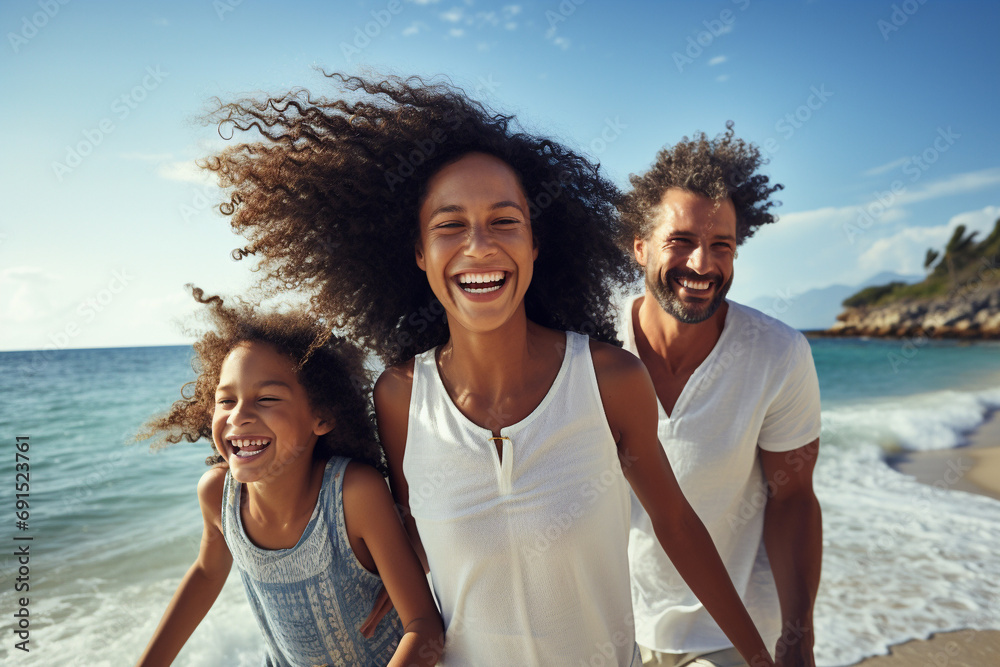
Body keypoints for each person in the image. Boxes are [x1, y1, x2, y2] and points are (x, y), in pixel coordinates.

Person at [201, 73, 775, 667]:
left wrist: (762, 656)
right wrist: (399, 602)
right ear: (420, 254)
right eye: (450, 225)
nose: (478, 245)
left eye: (504, 221)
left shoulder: (610, 380)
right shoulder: (399, 397)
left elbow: (676, 524)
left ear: (533, 244)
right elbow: (407, 527)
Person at [134, 287, 443, 667]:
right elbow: (206, 572)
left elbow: (425, 627)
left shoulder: (354, 495)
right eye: (226, 400)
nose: (239, 416)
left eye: (267, 399)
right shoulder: (219, 494)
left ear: (322, 417)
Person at [617, 124, 823, 667]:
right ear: (639, 247)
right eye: (680, 242)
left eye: (721, 246)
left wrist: (798, 638)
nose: (703, 265)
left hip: (728, 633)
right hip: (604, 624)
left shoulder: (778, 354)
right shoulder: (587, 345)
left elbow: (794, 497)